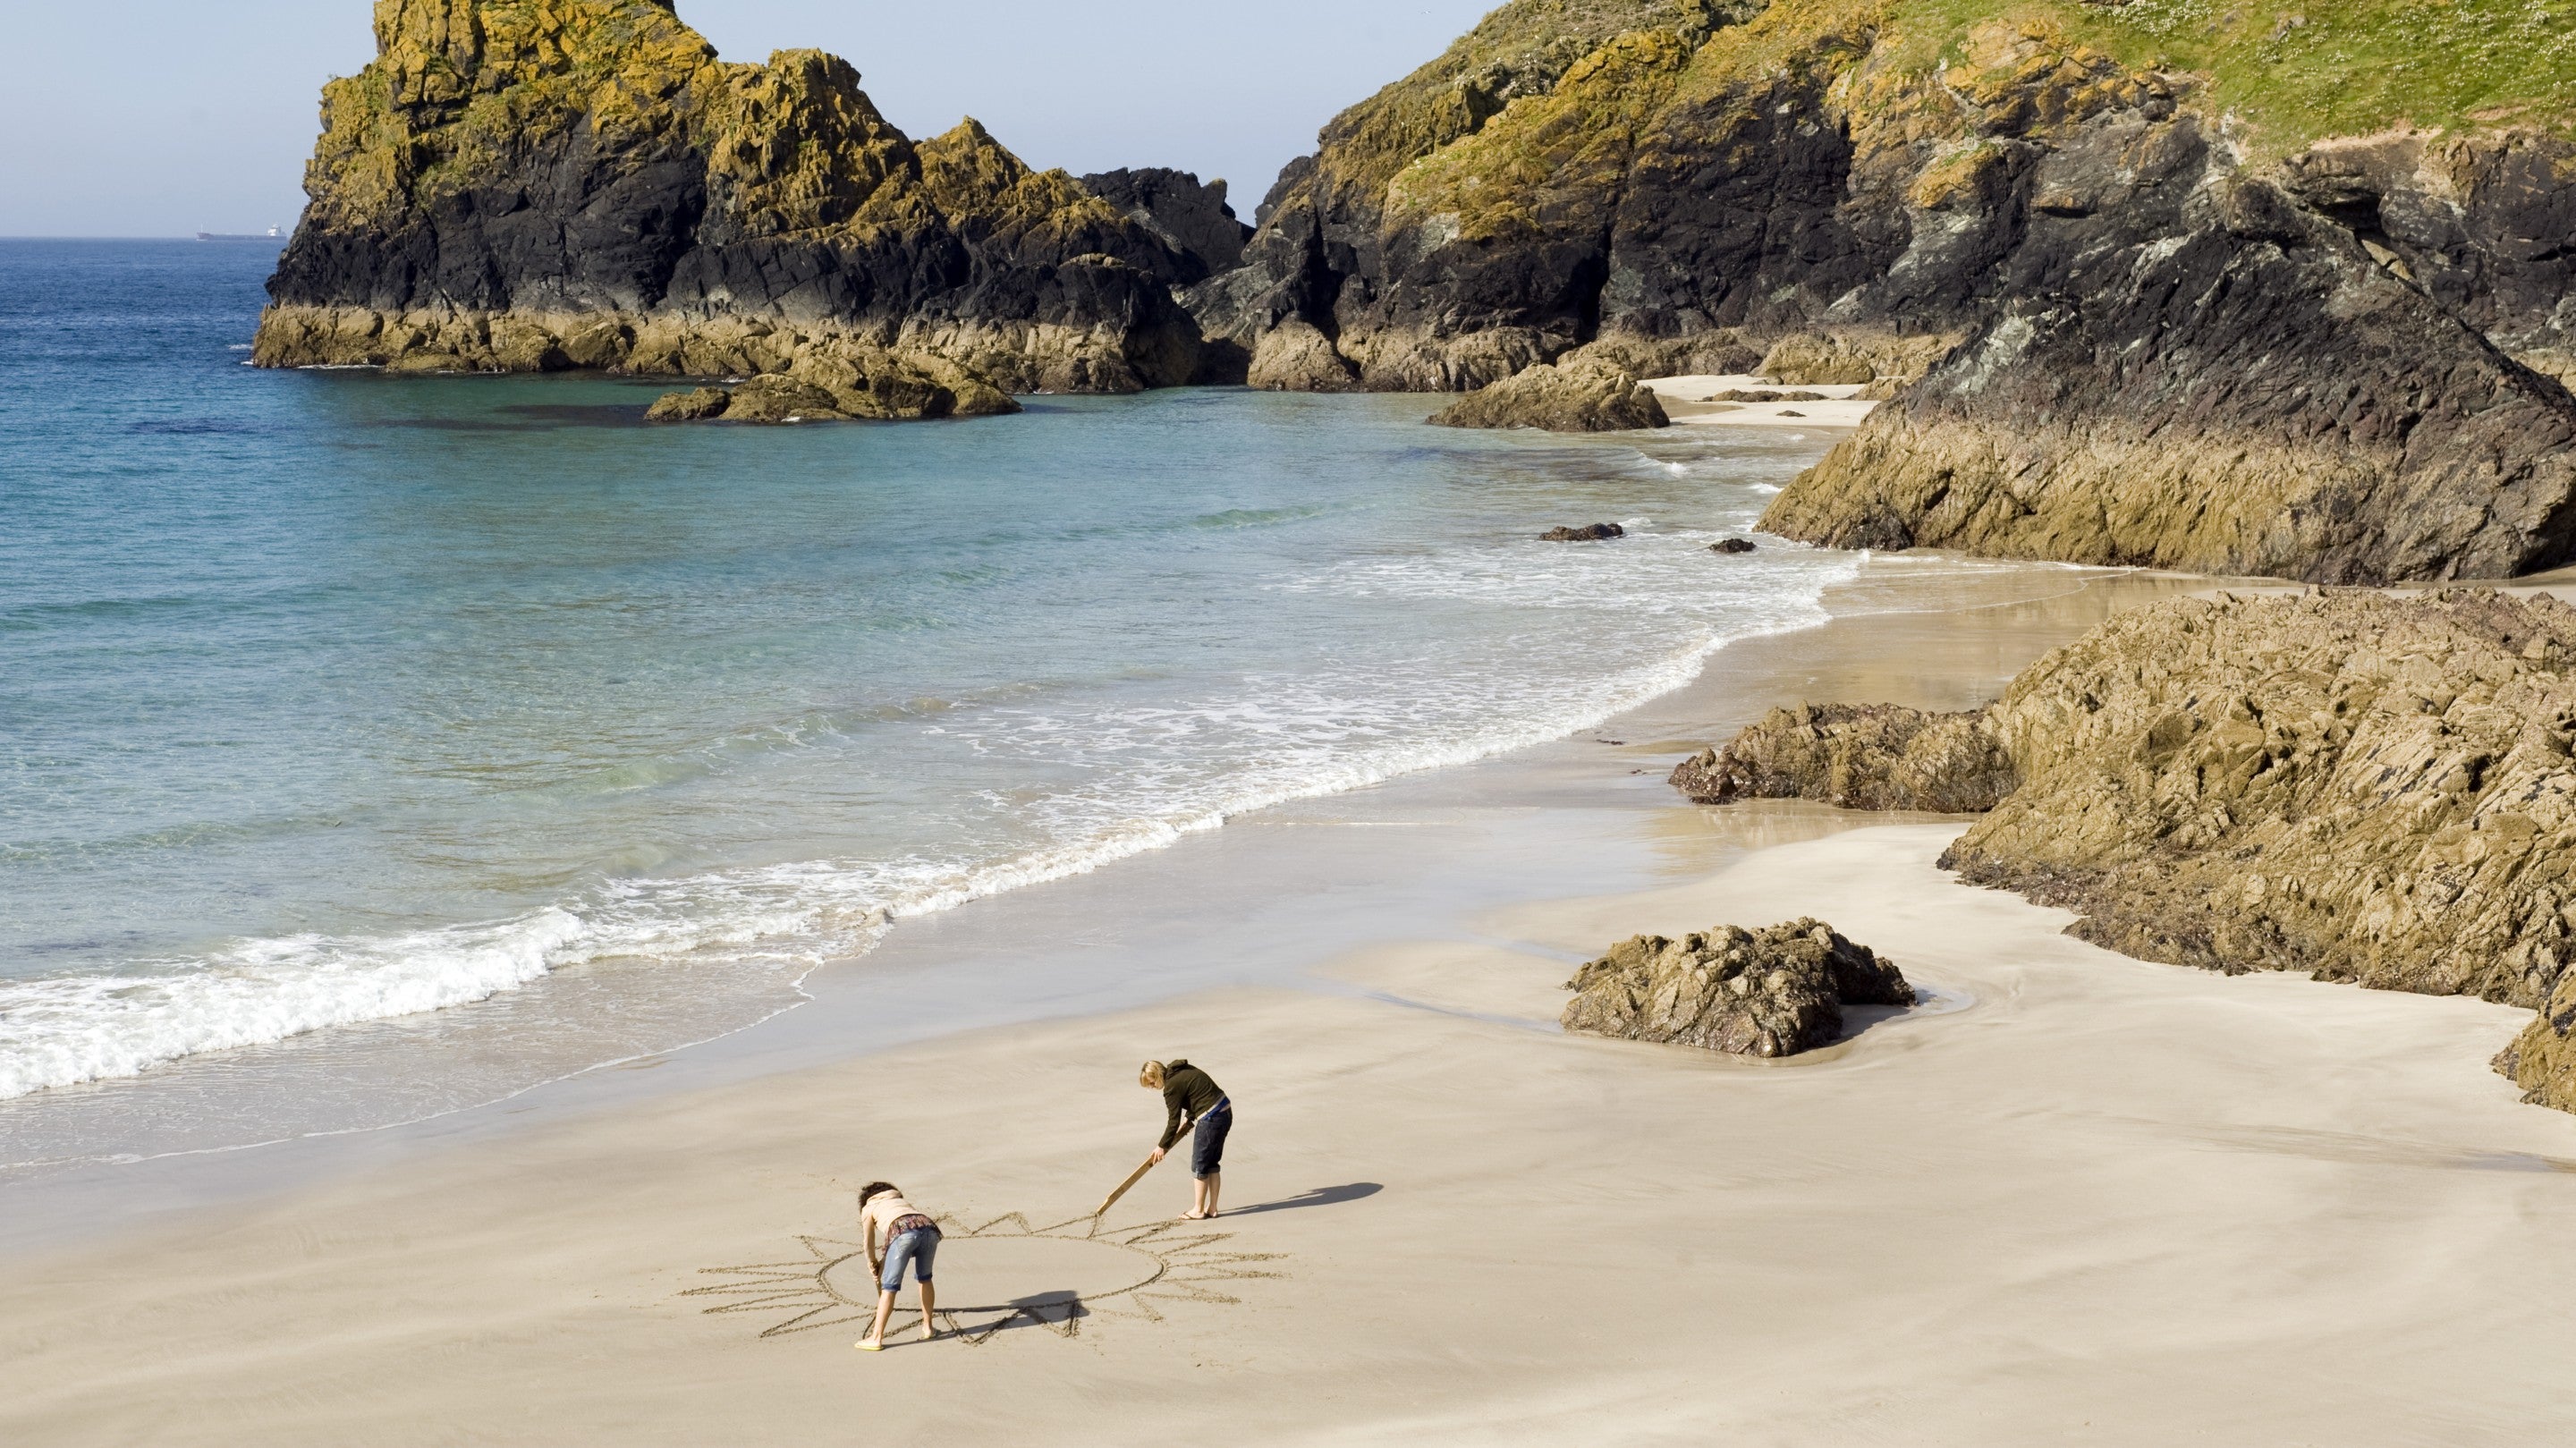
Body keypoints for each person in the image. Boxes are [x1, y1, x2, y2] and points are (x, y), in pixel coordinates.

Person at [853, 1181, 940, 1351]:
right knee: (925, 1278)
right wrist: (882, 1263)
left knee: (889, 1287)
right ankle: (928, 1327)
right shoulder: (899, 1199)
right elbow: (906, 1233)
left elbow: (868, 1242)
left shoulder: (868, 1208)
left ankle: (876, 1338)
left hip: (903, 1233)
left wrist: (872, 1264)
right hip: (929, 1229)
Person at [1141, 1058, 1231, 1220]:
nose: (1152, 1087)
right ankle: (1212, 1208)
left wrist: (1162, 1146)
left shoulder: (1170, 1087)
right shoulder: (1181, 1070)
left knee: (1199, 1165)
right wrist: (1190, 1117)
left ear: (1158, 1076)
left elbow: (1173, 1121)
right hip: (1225, 1111)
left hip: (1210, 1118)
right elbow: (1196, 1091)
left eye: (1152, 1083)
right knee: (1212, 1163)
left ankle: (1198, 1210)